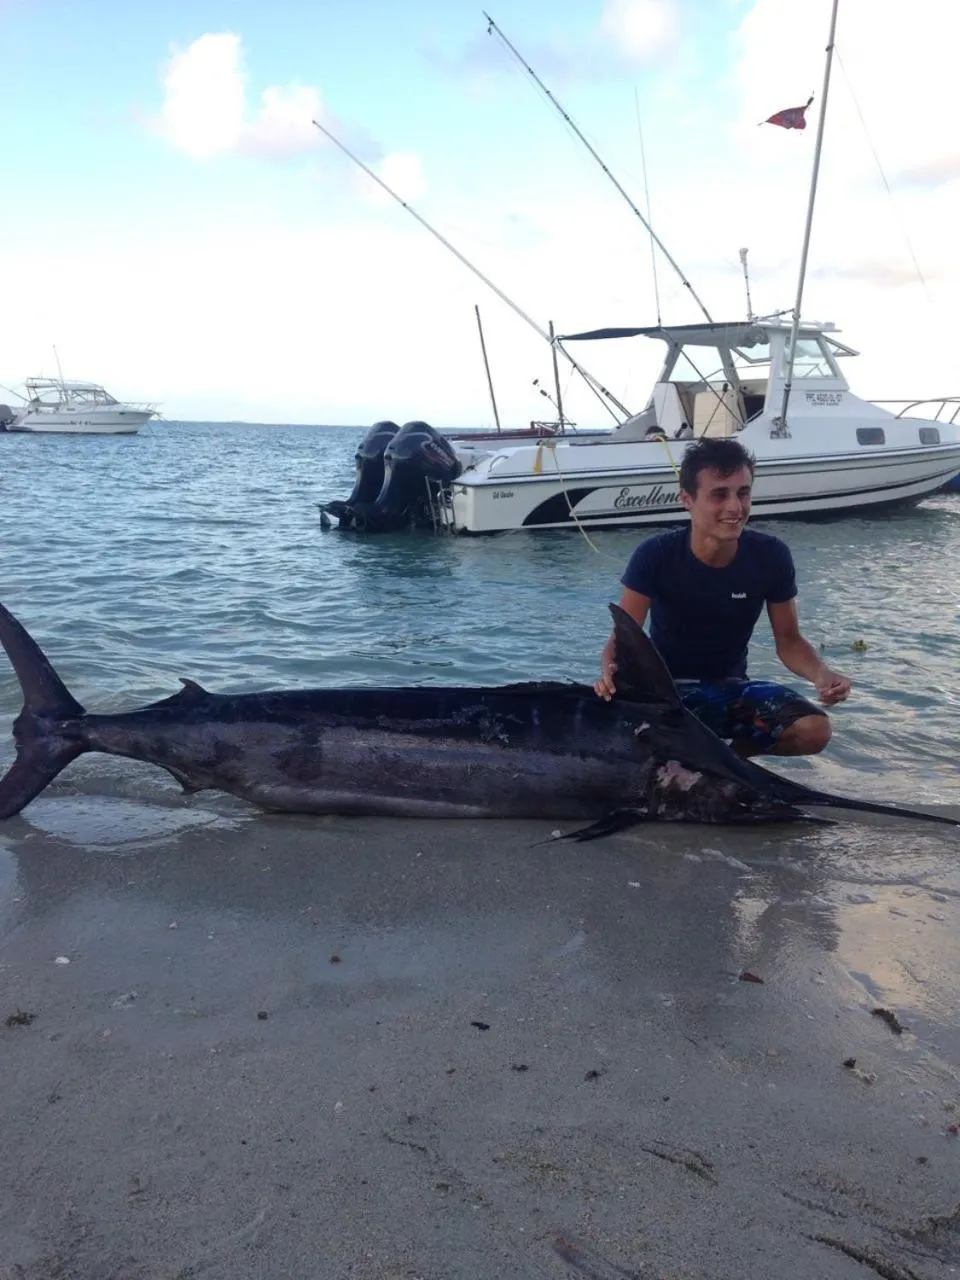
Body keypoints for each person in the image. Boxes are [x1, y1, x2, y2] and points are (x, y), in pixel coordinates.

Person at [595, 437, 852, 757]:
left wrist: (821, 675)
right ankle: (706, 765)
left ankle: (729, 765)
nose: (735, 507)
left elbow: (789, 641)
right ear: (687, 499)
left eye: (743, 493)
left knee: (814, 730)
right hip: (666, 695)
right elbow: (622, 637)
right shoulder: (655, 555)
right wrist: (610, 672)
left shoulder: (772, 555)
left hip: (732, 691)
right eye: (719, 494)